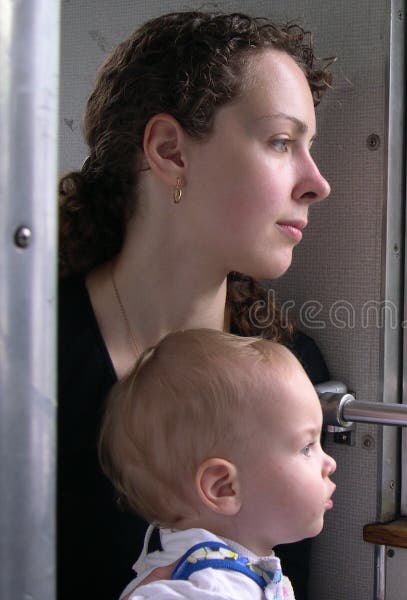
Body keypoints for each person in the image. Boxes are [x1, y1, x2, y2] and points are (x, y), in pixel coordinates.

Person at [57, 11, 333, 599]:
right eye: (282, 142)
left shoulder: (291, 374)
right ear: (169, 151)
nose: (317, 182)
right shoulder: (27, 358)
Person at [98, 329, 337, 600]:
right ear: (223, 487)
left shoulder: (237, 575)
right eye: (306, 447)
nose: (329, 463)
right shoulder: (204, 588)